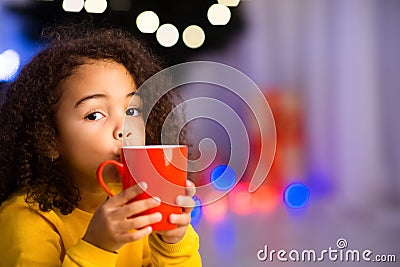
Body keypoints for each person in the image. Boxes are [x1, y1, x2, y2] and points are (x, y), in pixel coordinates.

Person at [0, 25, 201, 266]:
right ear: (48, 139)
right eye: (94, 115)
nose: (124, 128)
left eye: (132, 110)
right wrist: (98, 246)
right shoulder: (26, 219)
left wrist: (172, 241)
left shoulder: (137, 202)